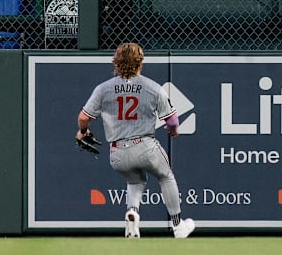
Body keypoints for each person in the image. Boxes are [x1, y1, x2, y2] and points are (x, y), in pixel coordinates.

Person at [76, 42, 195, 239]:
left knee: (135, 181)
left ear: (116, 63)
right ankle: (178, 225)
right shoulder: (152, 87)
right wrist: (173, 130)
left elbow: (83, 117)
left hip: (117, 152)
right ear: (140, 63)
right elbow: (172, 120)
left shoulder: (103, 88)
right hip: (145, 146)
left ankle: (132, 212)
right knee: (165, 176)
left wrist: (83, 131)